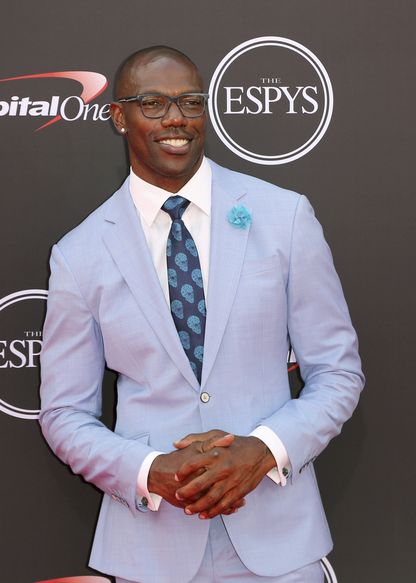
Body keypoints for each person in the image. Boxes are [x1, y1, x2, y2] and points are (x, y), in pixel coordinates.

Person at [39, 45, 364, 583]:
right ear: (119, 117)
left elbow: (338, 373)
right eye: (153, 103)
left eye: (191, 102)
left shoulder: (284, 217)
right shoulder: (80, 253)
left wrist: (263, 450)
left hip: (279, 543)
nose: (176, 119)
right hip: (151, 548)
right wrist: (150, 472)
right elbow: (64, 414)